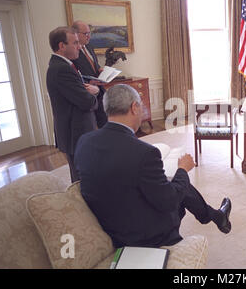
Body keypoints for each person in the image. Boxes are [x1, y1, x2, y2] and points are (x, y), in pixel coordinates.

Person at [74, 84, 232, 248]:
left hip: (108, 221)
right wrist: (183, 169)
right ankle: (215, 216)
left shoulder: (84, 142)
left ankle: (216, 216)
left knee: (172, 180)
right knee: (179, 182)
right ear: (134, 107)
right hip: (142, 235)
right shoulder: (144, 153)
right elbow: (169, 201)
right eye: (141, 106)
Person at [46, 26, 99, 182]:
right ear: (62, 46)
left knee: (81, 174)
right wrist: (94, 92)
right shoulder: (61, 69)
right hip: (75, 132)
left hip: (75, 130)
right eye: (75, 42)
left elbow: (76, 93)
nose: (80, 46)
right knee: (82, 178)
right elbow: (86, 102)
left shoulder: (62, 65)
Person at [71, 20, 108, 128]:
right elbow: (76, 75)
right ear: (76, 34)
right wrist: (89, 82)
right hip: (88, 94)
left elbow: (94, 65)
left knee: (105, 122)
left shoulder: (89, 47)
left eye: (89, 33)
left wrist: (99, 69)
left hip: (100, 91)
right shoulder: (73, 52)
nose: (88, 36)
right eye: (85, 34)